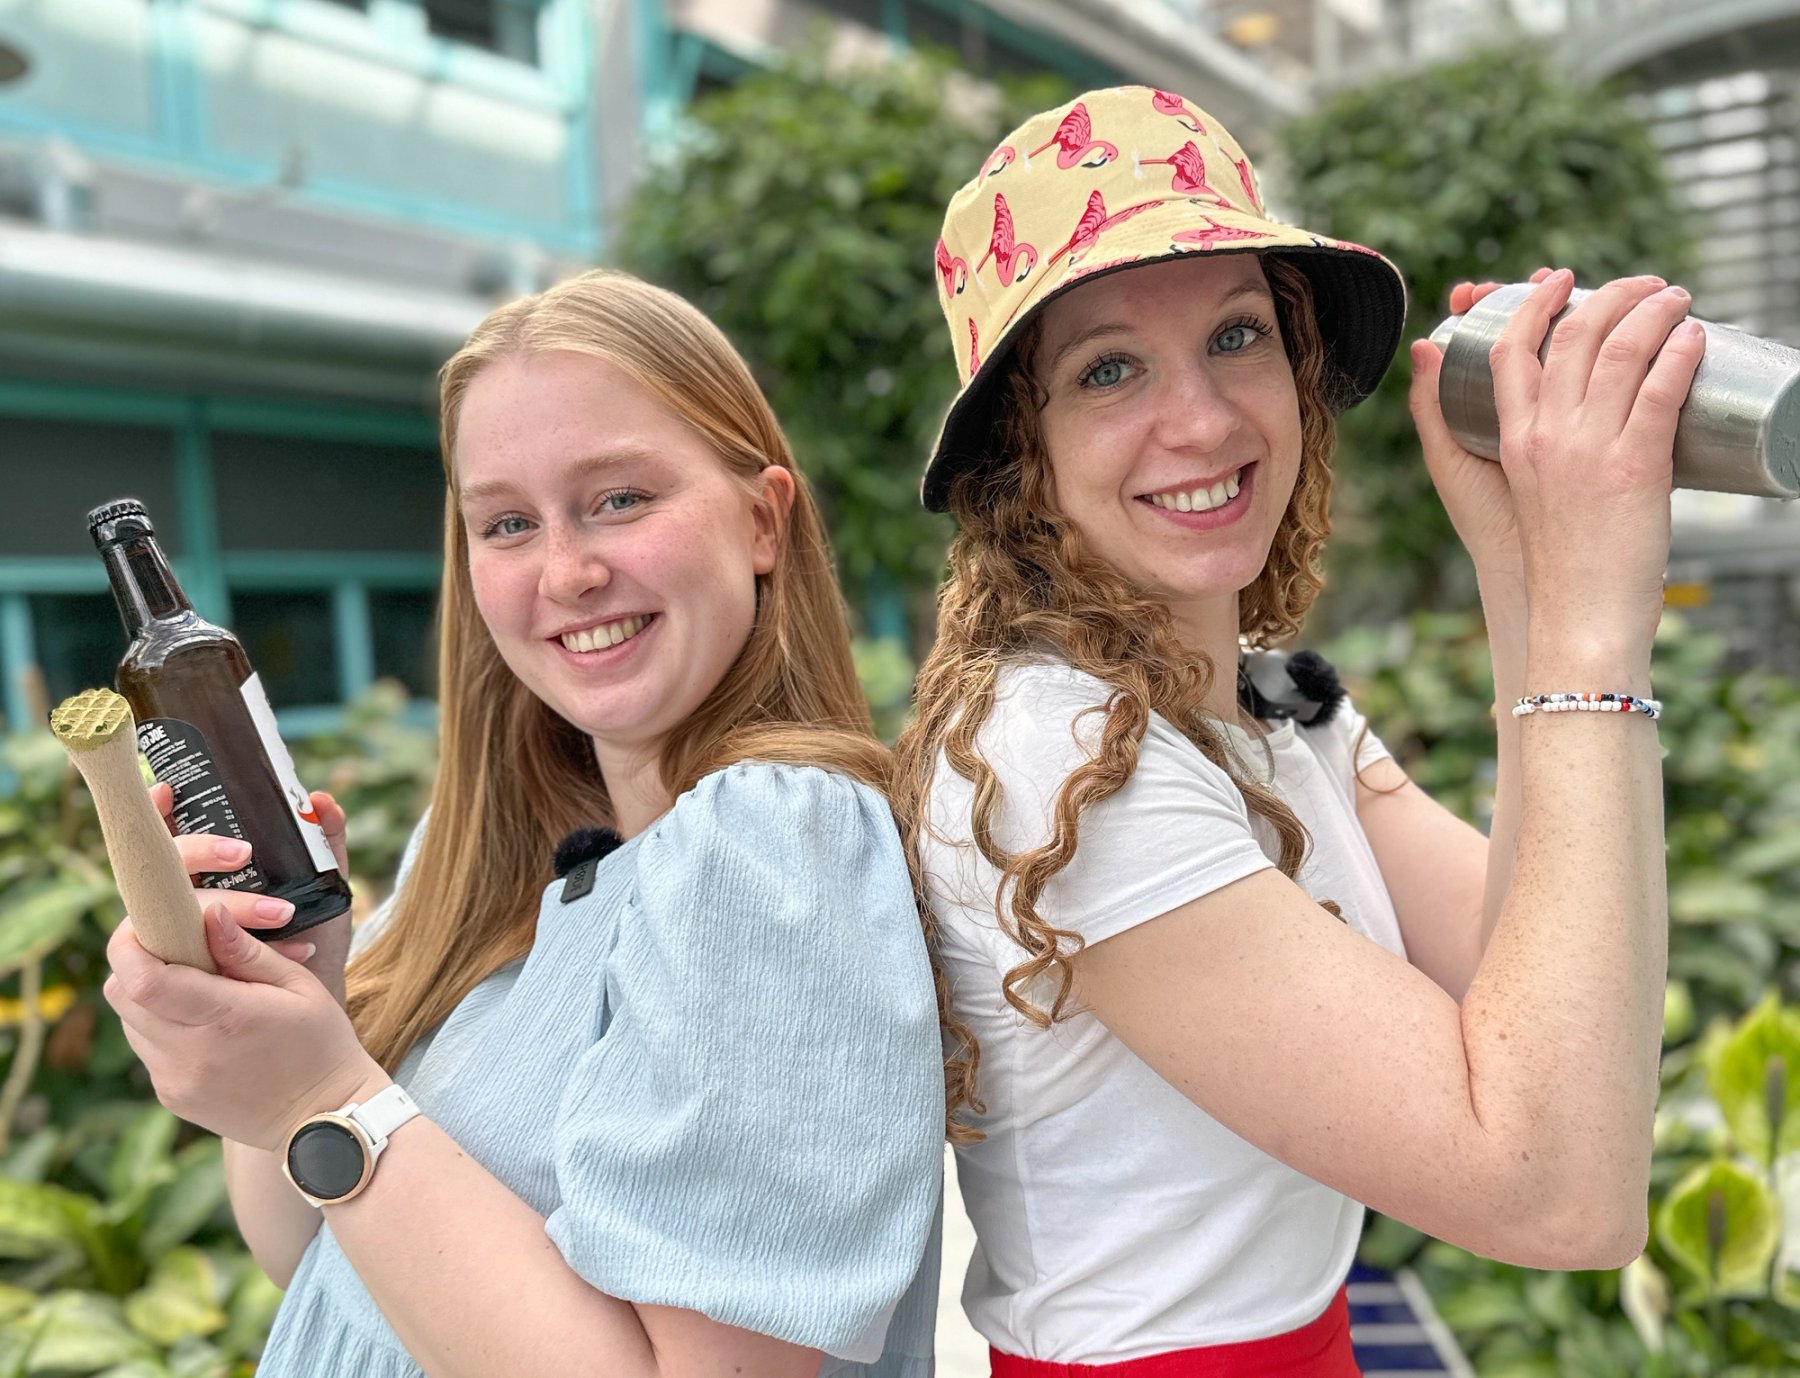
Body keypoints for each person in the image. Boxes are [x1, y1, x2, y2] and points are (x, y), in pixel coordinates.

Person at [892, 85, 1704, 1375]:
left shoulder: (1271, 706)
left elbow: (1557, 1003)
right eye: (1108, 369)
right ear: (1017, 460)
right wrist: (1596, 631)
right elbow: (1556, 1190)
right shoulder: (1059, 758)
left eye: (1238, 334)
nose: (1206, 420)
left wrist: (1522, 569)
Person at [102, 269, 945, 1378]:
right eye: (507, 522)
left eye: (620, 499)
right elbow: (308, 1258)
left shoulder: (770, 845)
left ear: (761, 520)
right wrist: (300, 995)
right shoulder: (488, 861)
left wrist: (328, 1096)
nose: (568, 572)